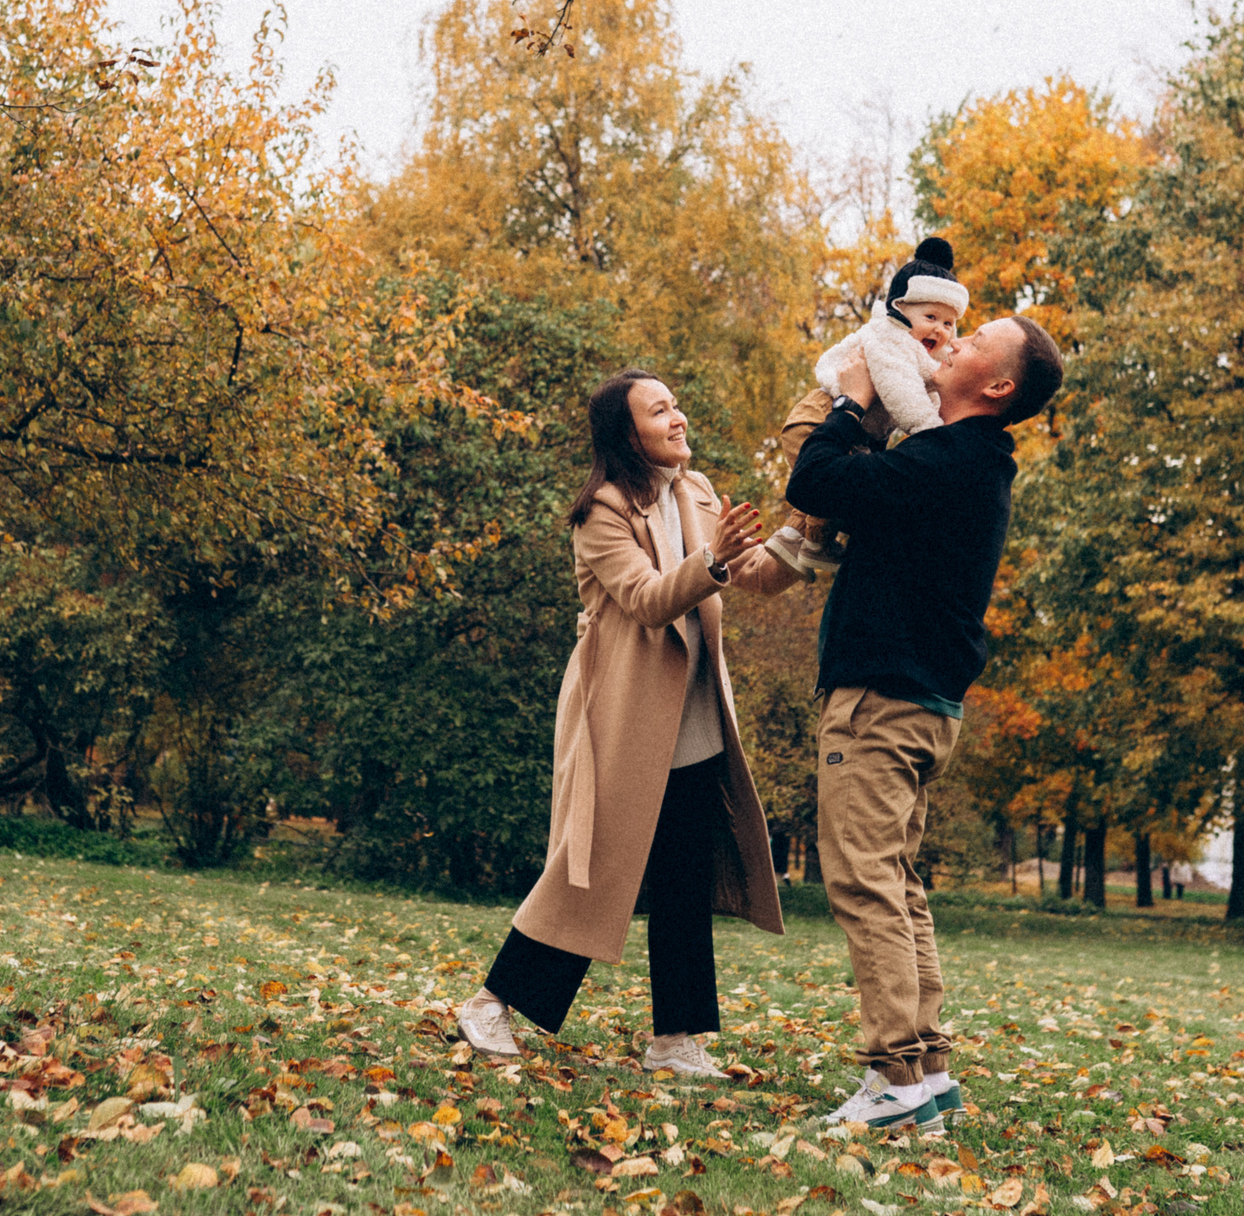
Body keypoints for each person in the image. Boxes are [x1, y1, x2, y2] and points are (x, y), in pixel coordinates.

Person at [455, 369, 796, 1080]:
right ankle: (491, 1003)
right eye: (660, 409)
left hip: (697, 712)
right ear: (628, 433)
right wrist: (714, 561)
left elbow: (754, 568)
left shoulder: (697, 490)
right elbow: (646, 599)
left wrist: (814, 539)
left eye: (676, 402)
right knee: (594, 871)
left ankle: (675, 1040)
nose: (677, 417)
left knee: (683, 878)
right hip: (623, 717)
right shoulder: (602, 512)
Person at [783, 313, 1065, 1131]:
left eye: (972, 341)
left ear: (999, 385)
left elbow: (816, 479)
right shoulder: (970, 465)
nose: (950, 343)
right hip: (924, 704)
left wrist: (849, 397)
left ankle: (895, 1081)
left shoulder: (949, 462)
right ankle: (925, 1071)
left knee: (865, 883)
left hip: (882, 698)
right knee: (899, 886)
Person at [765, 238, 969, 581]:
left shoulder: (920, 352)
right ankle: (816, 544)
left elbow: (926, 393)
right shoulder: (891, 340)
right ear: (899, 310)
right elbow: (903, 393)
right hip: (819, 418)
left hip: (840, 428)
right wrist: (932, 432)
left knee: (837, 482)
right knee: (833, 492)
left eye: (948, 324)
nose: (940, 328)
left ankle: (791, 538)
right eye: (931, 316)